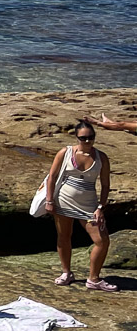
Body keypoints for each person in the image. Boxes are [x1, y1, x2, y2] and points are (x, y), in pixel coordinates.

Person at [48, 120, 114, 291]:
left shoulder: (101, 157)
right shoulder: (65, 153)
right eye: (83, 138)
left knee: (102, 240)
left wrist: (100, 207)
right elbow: (52, 177)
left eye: (91, 137)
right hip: (64, 200)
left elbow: (106, 185)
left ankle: (93, 279)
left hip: (89, 205)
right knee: (64, 236)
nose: (87, 141)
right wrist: (49, 201)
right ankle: (66, 272)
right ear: (76, 137)